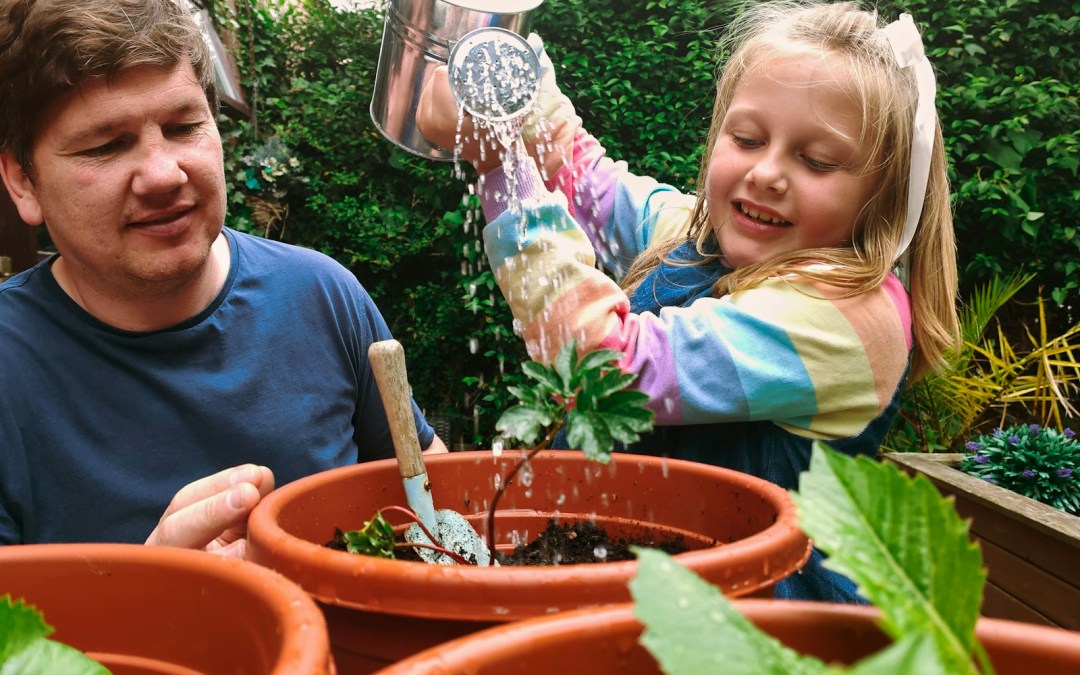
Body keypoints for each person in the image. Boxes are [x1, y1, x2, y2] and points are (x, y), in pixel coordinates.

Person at [417, 0, 959, 602]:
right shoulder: (697, 235)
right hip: (647, 592)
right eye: (748, 139)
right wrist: (512, 75)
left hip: (759, 630)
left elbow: (603, 367)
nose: (767, 173)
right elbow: (586, 179)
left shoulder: (850, 319)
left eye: (817, 161)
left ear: (879, 197)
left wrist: (498, 164)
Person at [0, 0, 446, 557]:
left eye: (183, 126)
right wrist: (156, 596)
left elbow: (439, 510)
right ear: (22, 180)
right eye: (106, 145)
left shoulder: (323, 296)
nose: (164, 174)